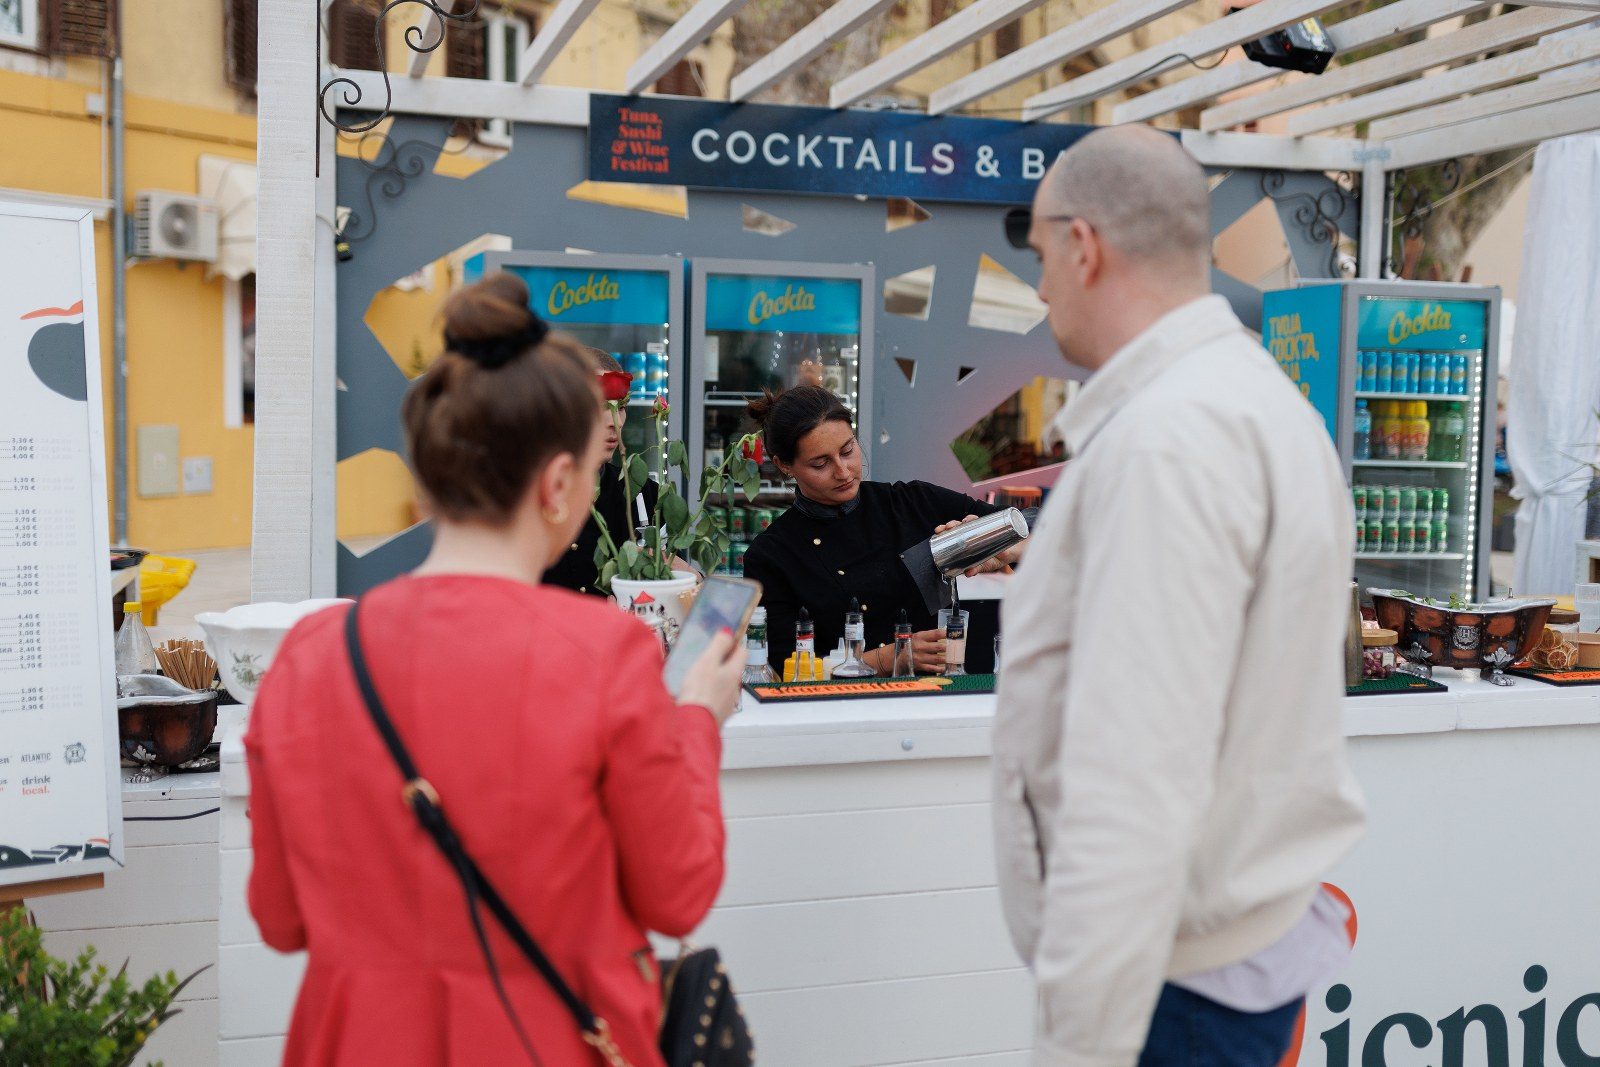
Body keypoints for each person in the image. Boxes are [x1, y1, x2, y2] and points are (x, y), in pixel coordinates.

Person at [244, 272, 745, 1066]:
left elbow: (280, 919)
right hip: (546, 1040)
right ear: (556, 484)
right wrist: (697, 718)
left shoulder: (308, 657)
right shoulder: (603, 652)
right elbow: (677, 893)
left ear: (426, 481)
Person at [992, 126, 1367, 1067]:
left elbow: (1134, 784)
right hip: (1216, 964)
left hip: (1169, 986)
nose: (1041, 289)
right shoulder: (1257, 400)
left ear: (1083, 247)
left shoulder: (1168, 442)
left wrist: (1078, 1048)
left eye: (1039, 257)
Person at [740, 385, 1021, 675]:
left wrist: (1001, 549)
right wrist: (891, 657)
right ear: (784, 465)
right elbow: (782, 667)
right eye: (820, 464)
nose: (843, 471)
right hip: (839, 701)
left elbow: (1033, 527)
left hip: (937, 691)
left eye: (847, 450)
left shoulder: (913, 503)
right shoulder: (771, 555)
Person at [542, 346, 660, 596]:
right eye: (600, 406)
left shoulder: (645, 495)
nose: (615, 421)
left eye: (621, 407)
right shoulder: (530, 498)